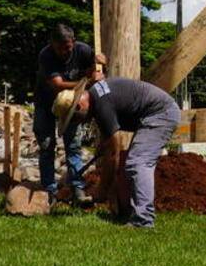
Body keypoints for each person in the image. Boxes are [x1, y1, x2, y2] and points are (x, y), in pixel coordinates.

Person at [55, 67, 181, 229]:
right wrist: (104, 145)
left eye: (74, 119)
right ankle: (127, 212)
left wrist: (102, 190)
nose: (78, 123)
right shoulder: (96, 95)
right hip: (152, 114)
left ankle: (143, 220)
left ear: (79, 106)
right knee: (132, 163)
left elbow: (113, 155)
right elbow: (109, 142)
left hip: (161, 114)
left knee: (138, 162)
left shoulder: (101, 106)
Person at [33, 24, 94, 204]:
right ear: (52, 44)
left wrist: (100, 63)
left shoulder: (83, 50)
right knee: (46, 146)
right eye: (59, 48)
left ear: (73, 42)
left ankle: (77, 188)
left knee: (73, 146)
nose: (64, 52)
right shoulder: (46, 55)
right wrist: (85, 82)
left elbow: (96, 68)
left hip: (71, 103)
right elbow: (57, 84)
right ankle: (49, 191)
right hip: (46, 103)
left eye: (67, 47)